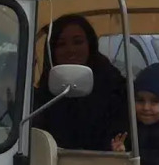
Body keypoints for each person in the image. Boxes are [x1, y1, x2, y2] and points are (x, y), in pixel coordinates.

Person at [34, 14, 130, 151]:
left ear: (90, 45)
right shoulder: (41, 95)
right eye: (61, 44)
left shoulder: (115, 87)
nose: (70, 50)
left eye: (78, 42)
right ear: (51, 51)